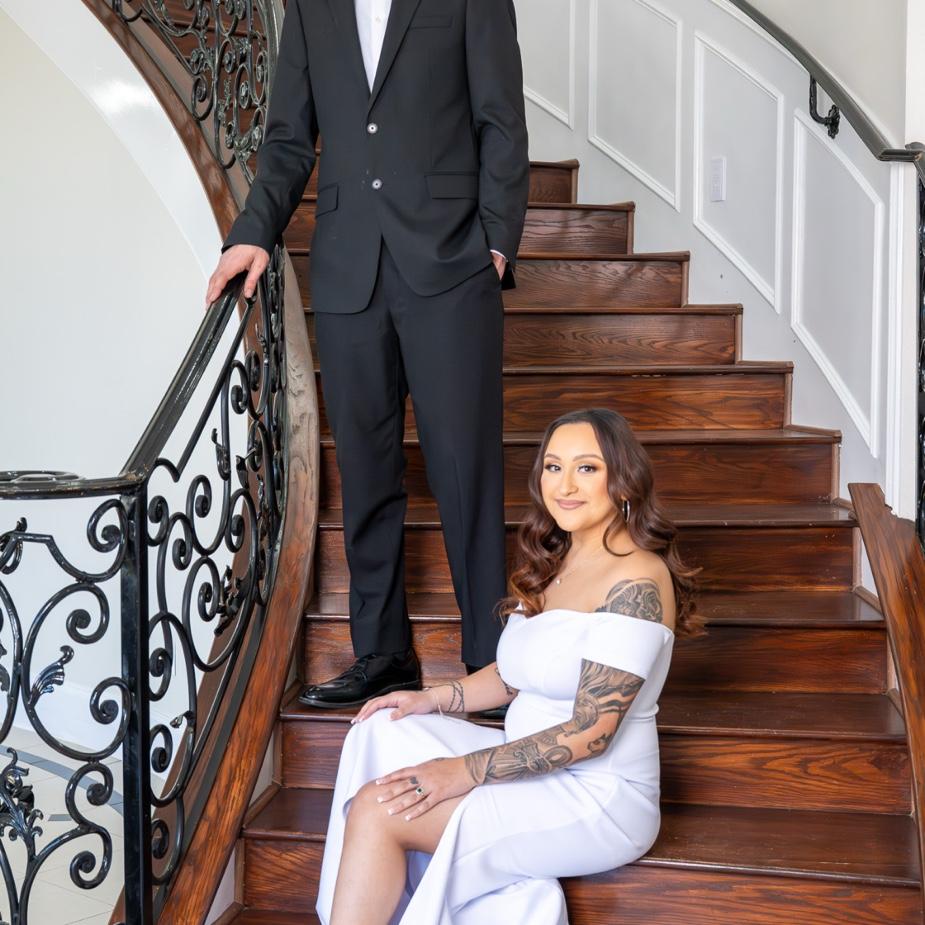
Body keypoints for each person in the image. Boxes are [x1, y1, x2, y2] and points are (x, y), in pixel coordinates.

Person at [204, 0, 530, 707]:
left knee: (465, 469)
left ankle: (490, 661)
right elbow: (288, 138)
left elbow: (500, 119)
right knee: (365, 467)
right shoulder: (310, 7)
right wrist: (253, 232)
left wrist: (497, 243)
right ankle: (382, 652)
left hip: (451, 264)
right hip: (349, 269)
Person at [315, 408, 703, 924]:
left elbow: (593, 733)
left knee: (378, 808)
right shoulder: (556, 560)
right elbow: (512, 674)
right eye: (553, 467)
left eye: (587, 468)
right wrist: (430, 699)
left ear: (624, 480)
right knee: (385, 726)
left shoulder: (636, 581)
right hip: (526, 764)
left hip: (596, 796)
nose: (565, 485)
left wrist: (461, 773)